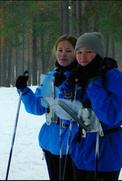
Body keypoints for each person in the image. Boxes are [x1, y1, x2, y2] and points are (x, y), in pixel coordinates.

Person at [59, 32, 122, 180]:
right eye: (79, 52)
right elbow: (65, 112)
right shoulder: (78, 75)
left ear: (98, 53)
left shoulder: (114, 77)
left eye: (88, 52)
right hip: (80, 149)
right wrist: (67, 86)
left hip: (105, 151)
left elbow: (111, 116)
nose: (82, 57)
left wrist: (93, 84)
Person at [15, 34, 77, 180]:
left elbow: (74, 109)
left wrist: (63, 85)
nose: (63, 54)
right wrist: (24, 90)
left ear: (76, 53)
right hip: (50, 142)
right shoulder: (51, 76)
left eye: (68, 51)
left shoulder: (80, 76)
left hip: (72, 144)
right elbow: (37, 107)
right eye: (60, 50)